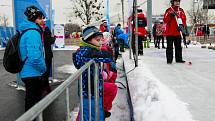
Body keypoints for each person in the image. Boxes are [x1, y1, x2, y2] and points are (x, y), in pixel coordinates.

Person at [73, 26, 114, 121]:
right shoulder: (87, 52)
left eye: (101, 40)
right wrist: (107, 49)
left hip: (93, 90)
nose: (100, 42)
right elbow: (108, 56)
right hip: (89, 92)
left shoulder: (88, 50)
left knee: (95, 114)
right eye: (98, 40)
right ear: (88, 40)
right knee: (89, 115)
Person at [19, 5, 46, 111]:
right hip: (32, 74)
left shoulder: (29, 31)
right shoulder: (33, 33)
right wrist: (43, 68)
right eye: (40, 18)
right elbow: (34, 57)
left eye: (42, 18)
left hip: (28, 72)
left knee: (31, 102)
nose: (42, 21)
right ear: (33, 19)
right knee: (33, 105)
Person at [40, 19, 56, 96]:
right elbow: (48, 41)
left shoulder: (38, 29)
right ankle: (45, 88)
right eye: (43, 20)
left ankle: (44, 87)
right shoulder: (45, 29)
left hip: (41, 53)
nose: (45, 22)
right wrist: (54, 38)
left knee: (42, 71)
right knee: (45, 72)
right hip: (46, 54)